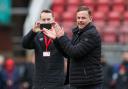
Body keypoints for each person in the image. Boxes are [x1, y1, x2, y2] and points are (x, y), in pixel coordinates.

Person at [43, 6, 103, 89]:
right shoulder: (78, 33)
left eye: (83, 18)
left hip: (89, 84)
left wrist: (61, 36)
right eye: (78, 18)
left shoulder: (91, 34)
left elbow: (74, 53)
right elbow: (68, 54)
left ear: (90, 18)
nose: (80, 20)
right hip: (78, 82)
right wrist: (56, 39)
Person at [22, 9, 65, 89]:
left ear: (53, 19)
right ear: (40, 21)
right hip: (39, 83)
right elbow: (25, 44)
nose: (46, 22)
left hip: (56, 83)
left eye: (48, 19)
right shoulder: (37, 36)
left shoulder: (60, 35)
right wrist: (33, 31)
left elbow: (67, 52)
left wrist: (57, 38)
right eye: (43, 20)